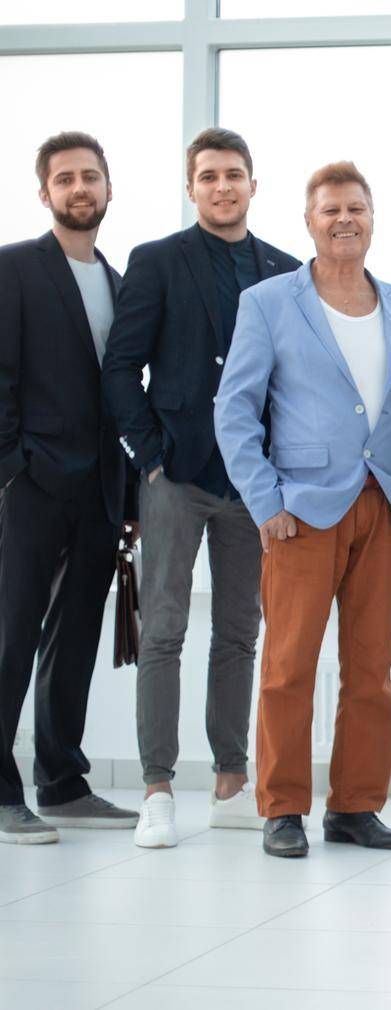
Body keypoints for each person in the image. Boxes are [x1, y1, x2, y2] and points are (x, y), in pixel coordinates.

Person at [214, 161, 391, 859]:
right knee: (288, 666)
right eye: (331, 209)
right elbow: (235, 410)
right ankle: (282, 808)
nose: (345, 220)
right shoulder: (269, 303)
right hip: (302, 511)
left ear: (373, 219)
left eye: (357, 209)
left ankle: (356, 807)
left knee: (371, 670)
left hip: (386, 511)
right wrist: (264, 500)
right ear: (308, 221)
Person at [101, 127, 299, 849]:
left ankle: (231, 782)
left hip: (254, 485)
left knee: (242, 634)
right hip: (176, 476)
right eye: (209, 175)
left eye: (235, 175)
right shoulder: (155, 262)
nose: (223, 186)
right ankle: (157, 788)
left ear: (253, 184)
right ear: (192, 186)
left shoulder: (284, 270)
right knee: (164, 630)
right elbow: (122, 369)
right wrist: (149, 457)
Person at [0, 131, 140, 844]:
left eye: (91, 176)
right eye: (65, 179)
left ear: (109, 189)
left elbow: (124, 394)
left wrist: (133, 500)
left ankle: (62, 782)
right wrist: (14, 468)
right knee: (10, 636)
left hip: (100, 492)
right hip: (30, 486)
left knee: (75, 638)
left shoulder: (120, 284)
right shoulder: (15, 268)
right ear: (45, 193)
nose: (80, 188)